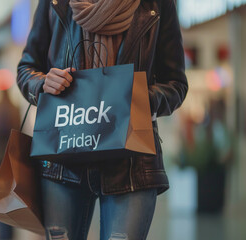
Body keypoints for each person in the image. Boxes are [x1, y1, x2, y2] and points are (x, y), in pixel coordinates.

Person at [16, 0, 188, 239]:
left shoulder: (157, 4)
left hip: (132, 165)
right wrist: (43, 83)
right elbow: (27, 68)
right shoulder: (56, 3)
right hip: (64, 160)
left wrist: (135, 98)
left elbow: (176, 85)